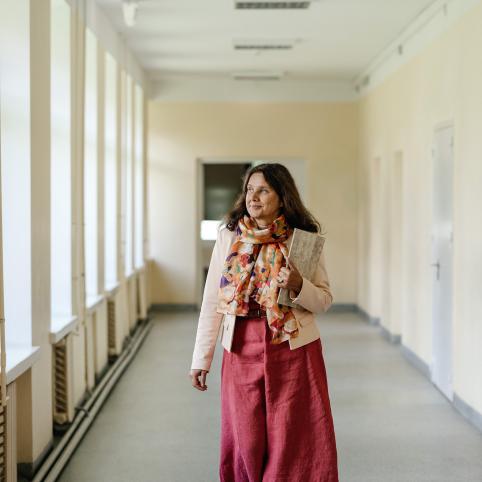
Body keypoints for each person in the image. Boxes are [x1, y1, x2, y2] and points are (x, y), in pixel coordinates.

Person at [189, 163, 338, 482]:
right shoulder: (229, 236)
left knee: (291, 437)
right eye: (249, 190)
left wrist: (299, 285)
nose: (253, 197)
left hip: (293, 350)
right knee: (246, 435)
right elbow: (213, 301)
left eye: (263, 191)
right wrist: (201, 359)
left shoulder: (303, 239)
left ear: (282, 197)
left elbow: (323, 300)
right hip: (240, 348)